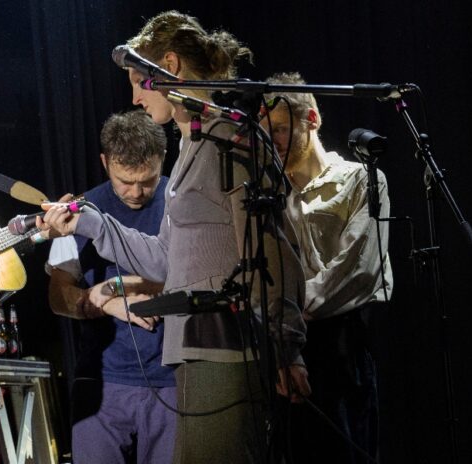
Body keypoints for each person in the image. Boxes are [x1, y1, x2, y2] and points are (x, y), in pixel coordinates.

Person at [38, 11, 311, 464]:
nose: (134, 98)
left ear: (169, 65)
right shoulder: (190, 149)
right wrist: (90, 222)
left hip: (227, 350)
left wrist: (288, 347)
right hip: (192, 350)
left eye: (137, 83)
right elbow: (166, 260)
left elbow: (273, 249)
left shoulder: (228, 142)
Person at [259, 72, 393, 463]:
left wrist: (293, 310)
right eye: (266, 132)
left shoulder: (360, 179)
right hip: (286, 343)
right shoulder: (269, 194)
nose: (272, 141)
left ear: (312, 120)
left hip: (341, 342)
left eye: (280, 129)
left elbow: (359, 267)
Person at [45, 109, 176, 463]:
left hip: (172, 382)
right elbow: (58, 296)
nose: (136, 192)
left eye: (147, 180)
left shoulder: (181, 203)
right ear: (105, 163)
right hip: (102, 382)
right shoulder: (78, 212)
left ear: (163, 159)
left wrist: (123, 286)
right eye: (125, 181)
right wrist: (106, 301)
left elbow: (190, 278)